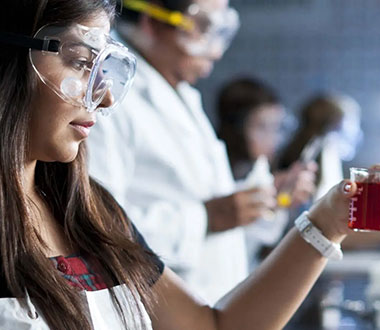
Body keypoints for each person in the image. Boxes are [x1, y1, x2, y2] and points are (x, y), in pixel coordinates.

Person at [0, 0, 380, 329]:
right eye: (82, 61)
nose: (105, 98)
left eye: (105, 66)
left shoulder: (91, 209)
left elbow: (214, 328)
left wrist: (327, 221)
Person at [87, 0, 276, 303]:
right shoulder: (109, 94)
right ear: (151, 22)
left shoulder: (180, 92)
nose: (215, 51)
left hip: (211, 305)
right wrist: (206, 219)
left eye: (222, 29)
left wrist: (256, 198)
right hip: (160, 309)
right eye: (203, 28)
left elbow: (193, 195)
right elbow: (95, 225)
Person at [216, 77, 318, 269]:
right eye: (262, 126)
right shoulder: (218, 173)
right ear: (235, 128)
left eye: (277, 127)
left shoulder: (260, 170)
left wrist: (282, 199)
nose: (274, 138)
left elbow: (264, 238)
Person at [277, 93, 363, 200]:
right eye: (351, 124)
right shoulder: (318, 155)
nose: (356, 133)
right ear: (335, 124)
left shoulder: (297, 152)